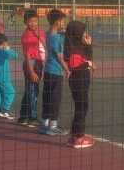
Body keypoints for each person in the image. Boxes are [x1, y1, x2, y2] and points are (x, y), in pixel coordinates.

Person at [63, 20, 95, 148]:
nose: (85, 33)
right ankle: (79, 137)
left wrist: (88, 45)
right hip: (79, 79)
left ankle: (74, 135)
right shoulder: (74, 48)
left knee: (80, 106)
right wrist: (88, 64)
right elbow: (77, 65)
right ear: (77, 33)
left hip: (78, 79)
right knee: (82, 107)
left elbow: (88, 57)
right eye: (82, 31)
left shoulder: (74, 45)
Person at [39, 9, 70, 136]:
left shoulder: (48, 34)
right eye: (62, 21)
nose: (64, 23)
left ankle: (44, 123)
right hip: (56, 72)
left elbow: (58, 32)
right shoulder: (56, 38)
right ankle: (53, 125)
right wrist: (67, 69)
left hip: (47, 71)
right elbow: (59, 57)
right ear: (58, 22)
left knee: (47, 96)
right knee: (55, 98)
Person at [17, 11, 46, 128]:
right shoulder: (27, 35)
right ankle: (32, 118)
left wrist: (39, 35)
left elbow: (45, 44)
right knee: (33, 91)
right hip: (31, 63)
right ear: (25, 22)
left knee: (30, 90)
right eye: (30, 21)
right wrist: (32, 71)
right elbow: (27, 55)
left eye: (35, 20)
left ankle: (23, 117)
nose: (33, 23)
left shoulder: (40, 32)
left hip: (38, 62)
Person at [0, 33, 18, 119]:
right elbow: (15, 54)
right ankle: (5, 110)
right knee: (11, 92)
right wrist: (7, 48)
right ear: (3, 43)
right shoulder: (3, 51)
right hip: (2, 78)